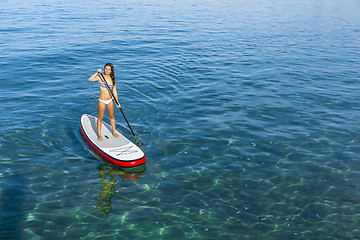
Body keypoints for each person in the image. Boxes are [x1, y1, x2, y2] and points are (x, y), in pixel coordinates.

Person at [88, 63, 120, 141]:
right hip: (102, 100)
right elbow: (90, 79)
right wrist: (97, 72)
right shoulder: (100, 77)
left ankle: (114, 132)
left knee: (112, 117)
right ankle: (99, 134)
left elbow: (114, 91)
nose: (107, 71)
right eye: (106, 69)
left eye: (109, 69)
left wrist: (117, 102)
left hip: (110, 100)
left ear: (111, 70)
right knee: (100, 117)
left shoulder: (113, 79)